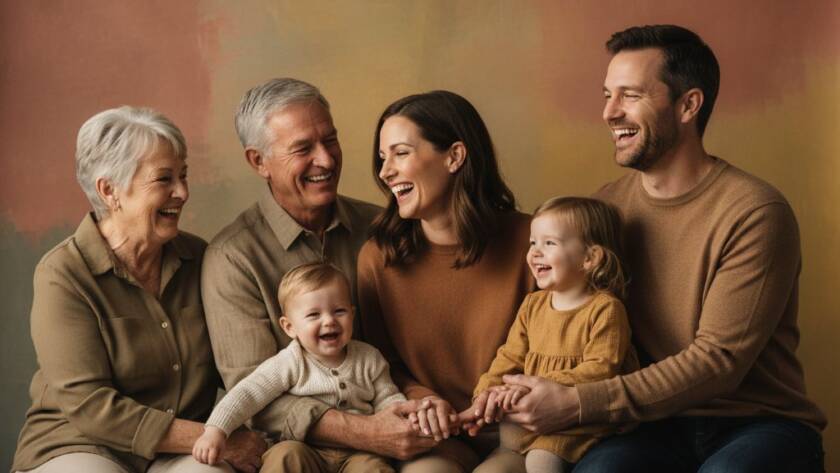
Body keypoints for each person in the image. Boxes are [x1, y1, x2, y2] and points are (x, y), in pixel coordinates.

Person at [499, 25, 827, 471]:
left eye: (629, 96)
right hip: (647, 425)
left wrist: (578, 403)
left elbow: (719, 362)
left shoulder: (755, 211)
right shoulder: (605, 208)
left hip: (756, 422)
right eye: (606, 95)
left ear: (689, 104)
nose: (609, 113)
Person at [12, 106, 266, 473]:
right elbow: (89, 406)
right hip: (82, 443)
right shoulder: (62, 274)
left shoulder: (203, 258)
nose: (183, 191)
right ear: (109, 190)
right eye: (164, 179)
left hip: (182, 449)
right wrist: (214, 437)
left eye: (184, 175)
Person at [202, 78, 434, 468]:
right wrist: (368, 432)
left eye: (330, 140)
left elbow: (406, 350)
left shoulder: (381, 227)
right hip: (294, 449)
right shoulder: (232, 257)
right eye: (303, 149)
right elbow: (254, 395)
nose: (325, 160)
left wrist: (410, 407)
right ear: (258, 161)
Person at [358, 90, 534, 473]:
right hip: (434, 438)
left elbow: (565, 342)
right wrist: (422, 398)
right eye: (383, 158)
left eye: (401, 153)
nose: (385, 172)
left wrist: (505, 396)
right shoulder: (378, 259)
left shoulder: (532, 242)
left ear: (454, 156)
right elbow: (380, 364)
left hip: (522, 435)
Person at [464, 197, 638, 473]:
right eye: (533, 243)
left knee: (541, 463)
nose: (535, 252)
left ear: (590, 258)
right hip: (520, 428)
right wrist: (485, 396)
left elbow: (601, 370)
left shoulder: (605, 309)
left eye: (549, 243)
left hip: (569, 427)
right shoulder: (533, 304)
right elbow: (509, 356)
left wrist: (530, 385)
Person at [194, 262, 407, 472]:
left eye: (339, 311)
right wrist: (216, 430)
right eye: (314, 315)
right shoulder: (290, 361)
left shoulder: (369, 358)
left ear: (352, 314)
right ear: (289, 327)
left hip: (360, 451)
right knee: (285, 455)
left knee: (372, 468)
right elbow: (248, 392)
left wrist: (406, 419)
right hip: (305, 448)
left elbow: (388, 398)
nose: (329, 321)